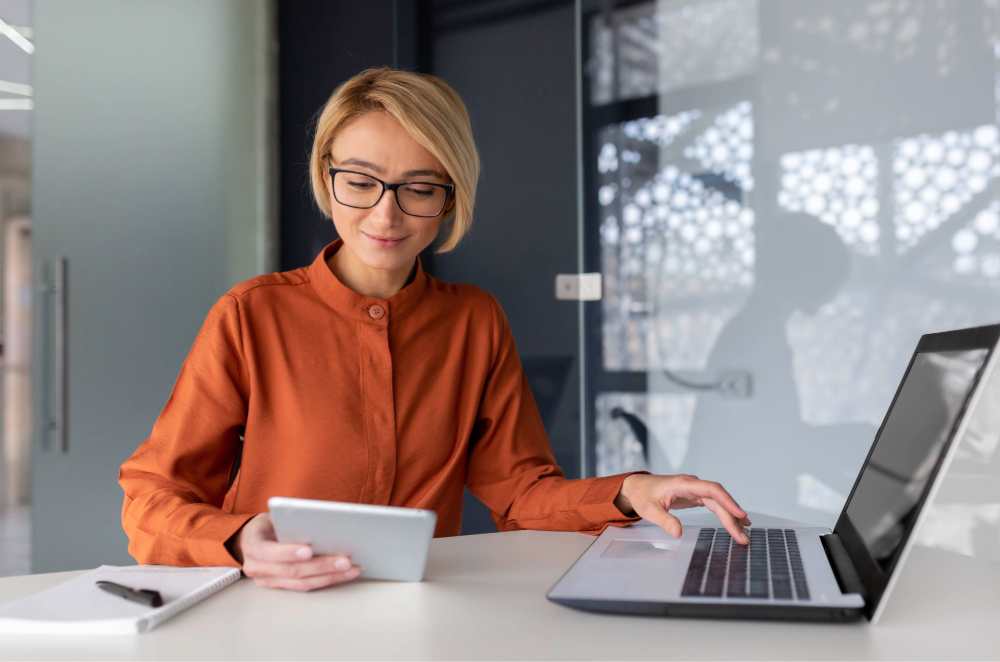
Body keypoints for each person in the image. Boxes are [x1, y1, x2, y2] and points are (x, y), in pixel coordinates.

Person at [118, 67, 750, 592]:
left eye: (419, 188)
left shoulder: (475, 320)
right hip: (269, 608)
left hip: (420, 613)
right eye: (361, 182)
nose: (385, 214)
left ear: (451, 197)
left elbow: (520, 494)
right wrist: (237, 537)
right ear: (325, 175)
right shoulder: (251, 315)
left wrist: (630, 488)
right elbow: (151, 495)